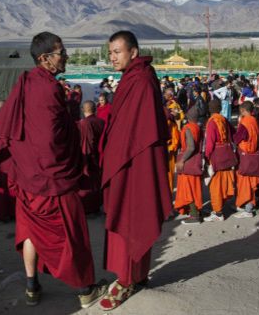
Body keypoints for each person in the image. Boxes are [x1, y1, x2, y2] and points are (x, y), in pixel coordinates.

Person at [0, 32, 104, 308]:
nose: (66, 57)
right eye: (61, 52)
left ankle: (32, 288)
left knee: (29, 231)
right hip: (52, 176)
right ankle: (86, 291)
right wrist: (73, 148)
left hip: (28, 176)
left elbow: (18, 130)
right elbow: (52, 139)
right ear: (45, 59)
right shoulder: (47, 87)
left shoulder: (26, 82)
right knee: (72, 233)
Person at [99, 31, 171, 311]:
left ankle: (126, 280)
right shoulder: (137, 77)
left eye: (117, 52)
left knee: (130, 217)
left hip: (133, 163)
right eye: (110, 53)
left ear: (134, 52)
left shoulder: (139, 80)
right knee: (132, 216)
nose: (113, 57)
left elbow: (134, 132)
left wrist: (114, 161)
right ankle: (137, 275)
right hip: (130, 158)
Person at [204, 99, 236, 222]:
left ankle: (218, 213)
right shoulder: (223, 119)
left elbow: (210, 143)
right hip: (227, 154)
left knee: (215, 185)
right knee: (224, 182)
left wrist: (206, 157)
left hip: (216, 156)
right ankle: (220, 206)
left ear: (209, 110)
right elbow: (233, 134)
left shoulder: (212, 122)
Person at [174, 107, 203, 224]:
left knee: (188, 189)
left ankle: (194, 214)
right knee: (195, 188)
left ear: (187, 117)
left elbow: (191, 147)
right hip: (196, 161)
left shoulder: (188, 128)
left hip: (188, 162)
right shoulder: (198, 128)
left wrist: (182, 160)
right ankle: (196, 211)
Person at [77, 100, 105, 214]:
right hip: (100, 155)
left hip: (89, 155)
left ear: (83, 110)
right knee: (98, 181)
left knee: (88, 182)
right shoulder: (102, 122)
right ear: (95, 109)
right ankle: (97, 205)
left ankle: (89, 208)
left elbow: (88, 142)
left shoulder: (84, 123)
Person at [165, 110, 180, 198]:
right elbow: (176, 141)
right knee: (169, 178)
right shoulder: (172, 124)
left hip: (168, 154)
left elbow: (175, 141)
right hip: (168, 153)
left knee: (168, 178)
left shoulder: (171, 124)